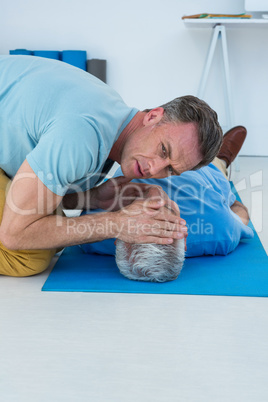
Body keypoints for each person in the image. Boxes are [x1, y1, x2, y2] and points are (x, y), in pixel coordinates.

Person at [0, 55, 223, 277]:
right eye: (163, 150)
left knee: (53, 229)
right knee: (30, 255)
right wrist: (118, 223)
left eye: (171, 170)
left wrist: (94, 198)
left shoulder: (114, 119)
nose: (154, 170)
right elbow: (14, 234)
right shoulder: (82, 136)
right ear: (153, 116)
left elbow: (45, 198)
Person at [80, 126, 253, 282]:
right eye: (164, 216)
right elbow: (241, 213)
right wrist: (227, 200)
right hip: (205, 171)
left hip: (148, 154)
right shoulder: (219, 228)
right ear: (185, 239)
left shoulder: (92, 235)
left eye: (145, 217)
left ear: (118, 238)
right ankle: (222, 158)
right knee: (218, 166)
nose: (157, 199)